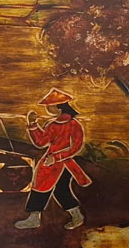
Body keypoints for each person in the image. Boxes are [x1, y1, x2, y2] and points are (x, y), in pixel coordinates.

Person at [14, 88, 90, 230]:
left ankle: (35, 218)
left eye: (50, 106)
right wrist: (33, 124)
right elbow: (41, 142)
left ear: (59, 107)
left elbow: (76, 146)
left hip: (63, 163)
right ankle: (75, 216)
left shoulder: (74, 125)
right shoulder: (53, 124)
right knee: (56, 189)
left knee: (46, 188)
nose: (48, 109)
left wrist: (56, 158)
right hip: (51, 162)